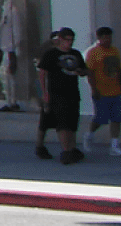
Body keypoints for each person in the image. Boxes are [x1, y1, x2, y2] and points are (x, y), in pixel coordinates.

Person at [36, 27, 89, 164]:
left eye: (71, 40)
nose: (69, 43)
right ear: (60, 39)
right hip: (57, 93)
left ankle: (72, 148)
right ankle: (65, 150)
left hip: (72, 92)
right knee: (61, 122)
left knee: (72, 122)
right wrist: (44, 93)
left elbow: (84, 70)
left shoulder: (76, 54)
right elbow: (42, 73)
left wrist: (80, 71)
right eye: (67, 40)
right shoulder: (51, 54)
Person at [85, 27, 121, 156]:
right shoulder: (93, 53)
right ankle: (89, 135)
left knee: (117, 118)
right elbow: (90, 73)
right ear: (99, 38)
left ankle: (114, 145)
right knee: (100, 119)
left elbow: (119, 70)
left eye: (109, 37)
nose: (108, 40)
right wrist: (94, 89)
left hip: (115, 90)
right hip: (101, 91)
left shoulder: (114, 51)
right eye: (105, 38)